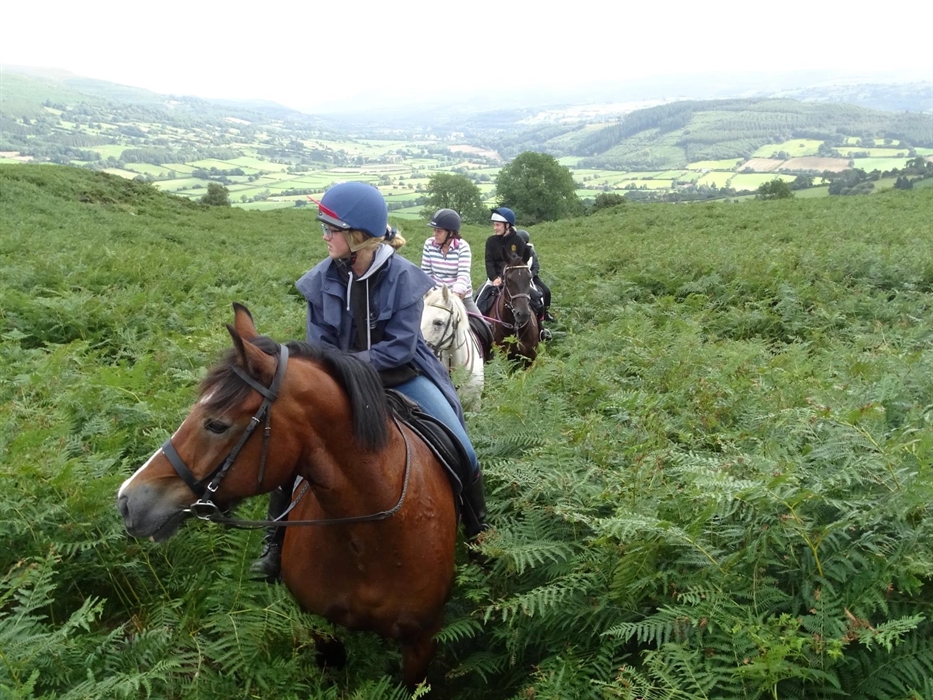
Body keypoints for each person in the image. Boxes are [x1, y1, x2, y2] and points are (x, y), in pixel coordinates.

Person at [251, 182, 488, 581]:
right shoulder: (319, 281)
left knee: (460, 443)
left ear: (358, 236)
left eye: (332, 230)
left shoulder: (404, 278)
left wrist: (343, 365)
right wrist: (336, 373)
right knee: (293, 446)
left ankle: (478, 529)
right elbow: (319, 345)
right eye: (324, 229)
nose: (325, 237)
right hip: (338, 381)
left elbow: (398, 349)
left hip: (401, 376)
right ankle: (275, 542)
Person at [473, 207, 530, 317]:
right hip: (494, 279)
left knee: (538, 298)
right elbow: (488, 262)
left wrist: (505, 277)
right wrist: (495, 278)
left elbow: (523, 261)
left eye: (498, 225)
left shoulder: (518, 241)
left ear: (507, 225)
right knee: (479, 301)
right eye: (494, 225)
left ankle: (541, 327)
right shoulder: (491, 241)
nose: (495, 228)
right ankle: (478, 325)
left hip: (516, 279)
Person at [514, 229, 554, 340]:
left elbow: (536, 266)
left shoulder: (531, 251)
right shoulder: (512, 251)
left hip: (530, 277)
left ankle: (544, 317)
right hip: (516, 279)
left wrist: (531, 274)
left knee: (545, 291)